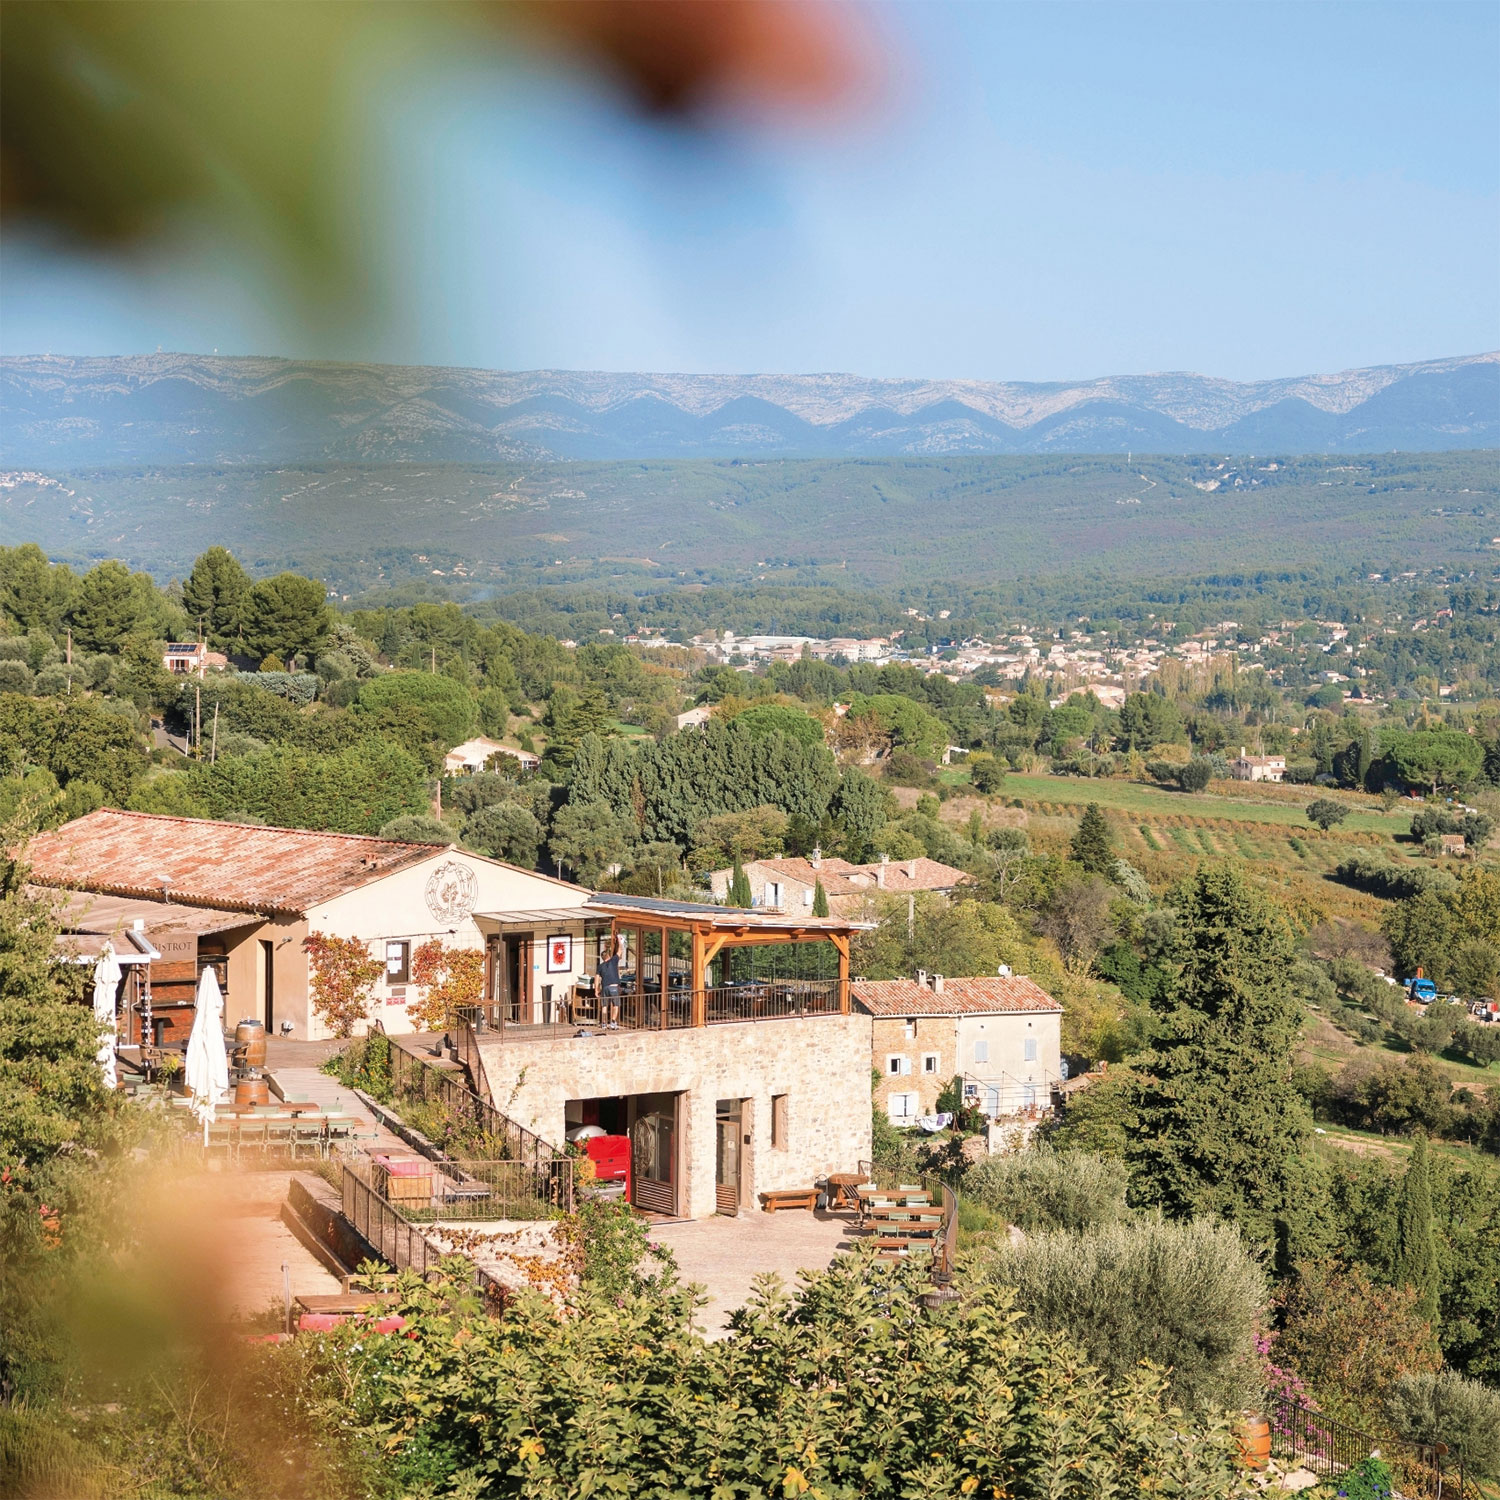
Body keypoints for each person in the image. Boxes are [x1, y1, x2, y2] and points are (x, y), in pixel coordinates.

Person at [597, 933, 624, 1030]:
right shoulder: (613, 961)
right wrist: (620, 941)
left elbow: (596, 978)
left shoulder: (600, 966)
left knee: (604, 1005)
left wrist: (596, 989)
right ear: (608, 956)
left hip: (604, 987)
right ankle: (613, 1022)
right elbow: (620, 951)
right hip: (614, 987)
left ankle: (604, 1023)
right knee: (615, 1005)